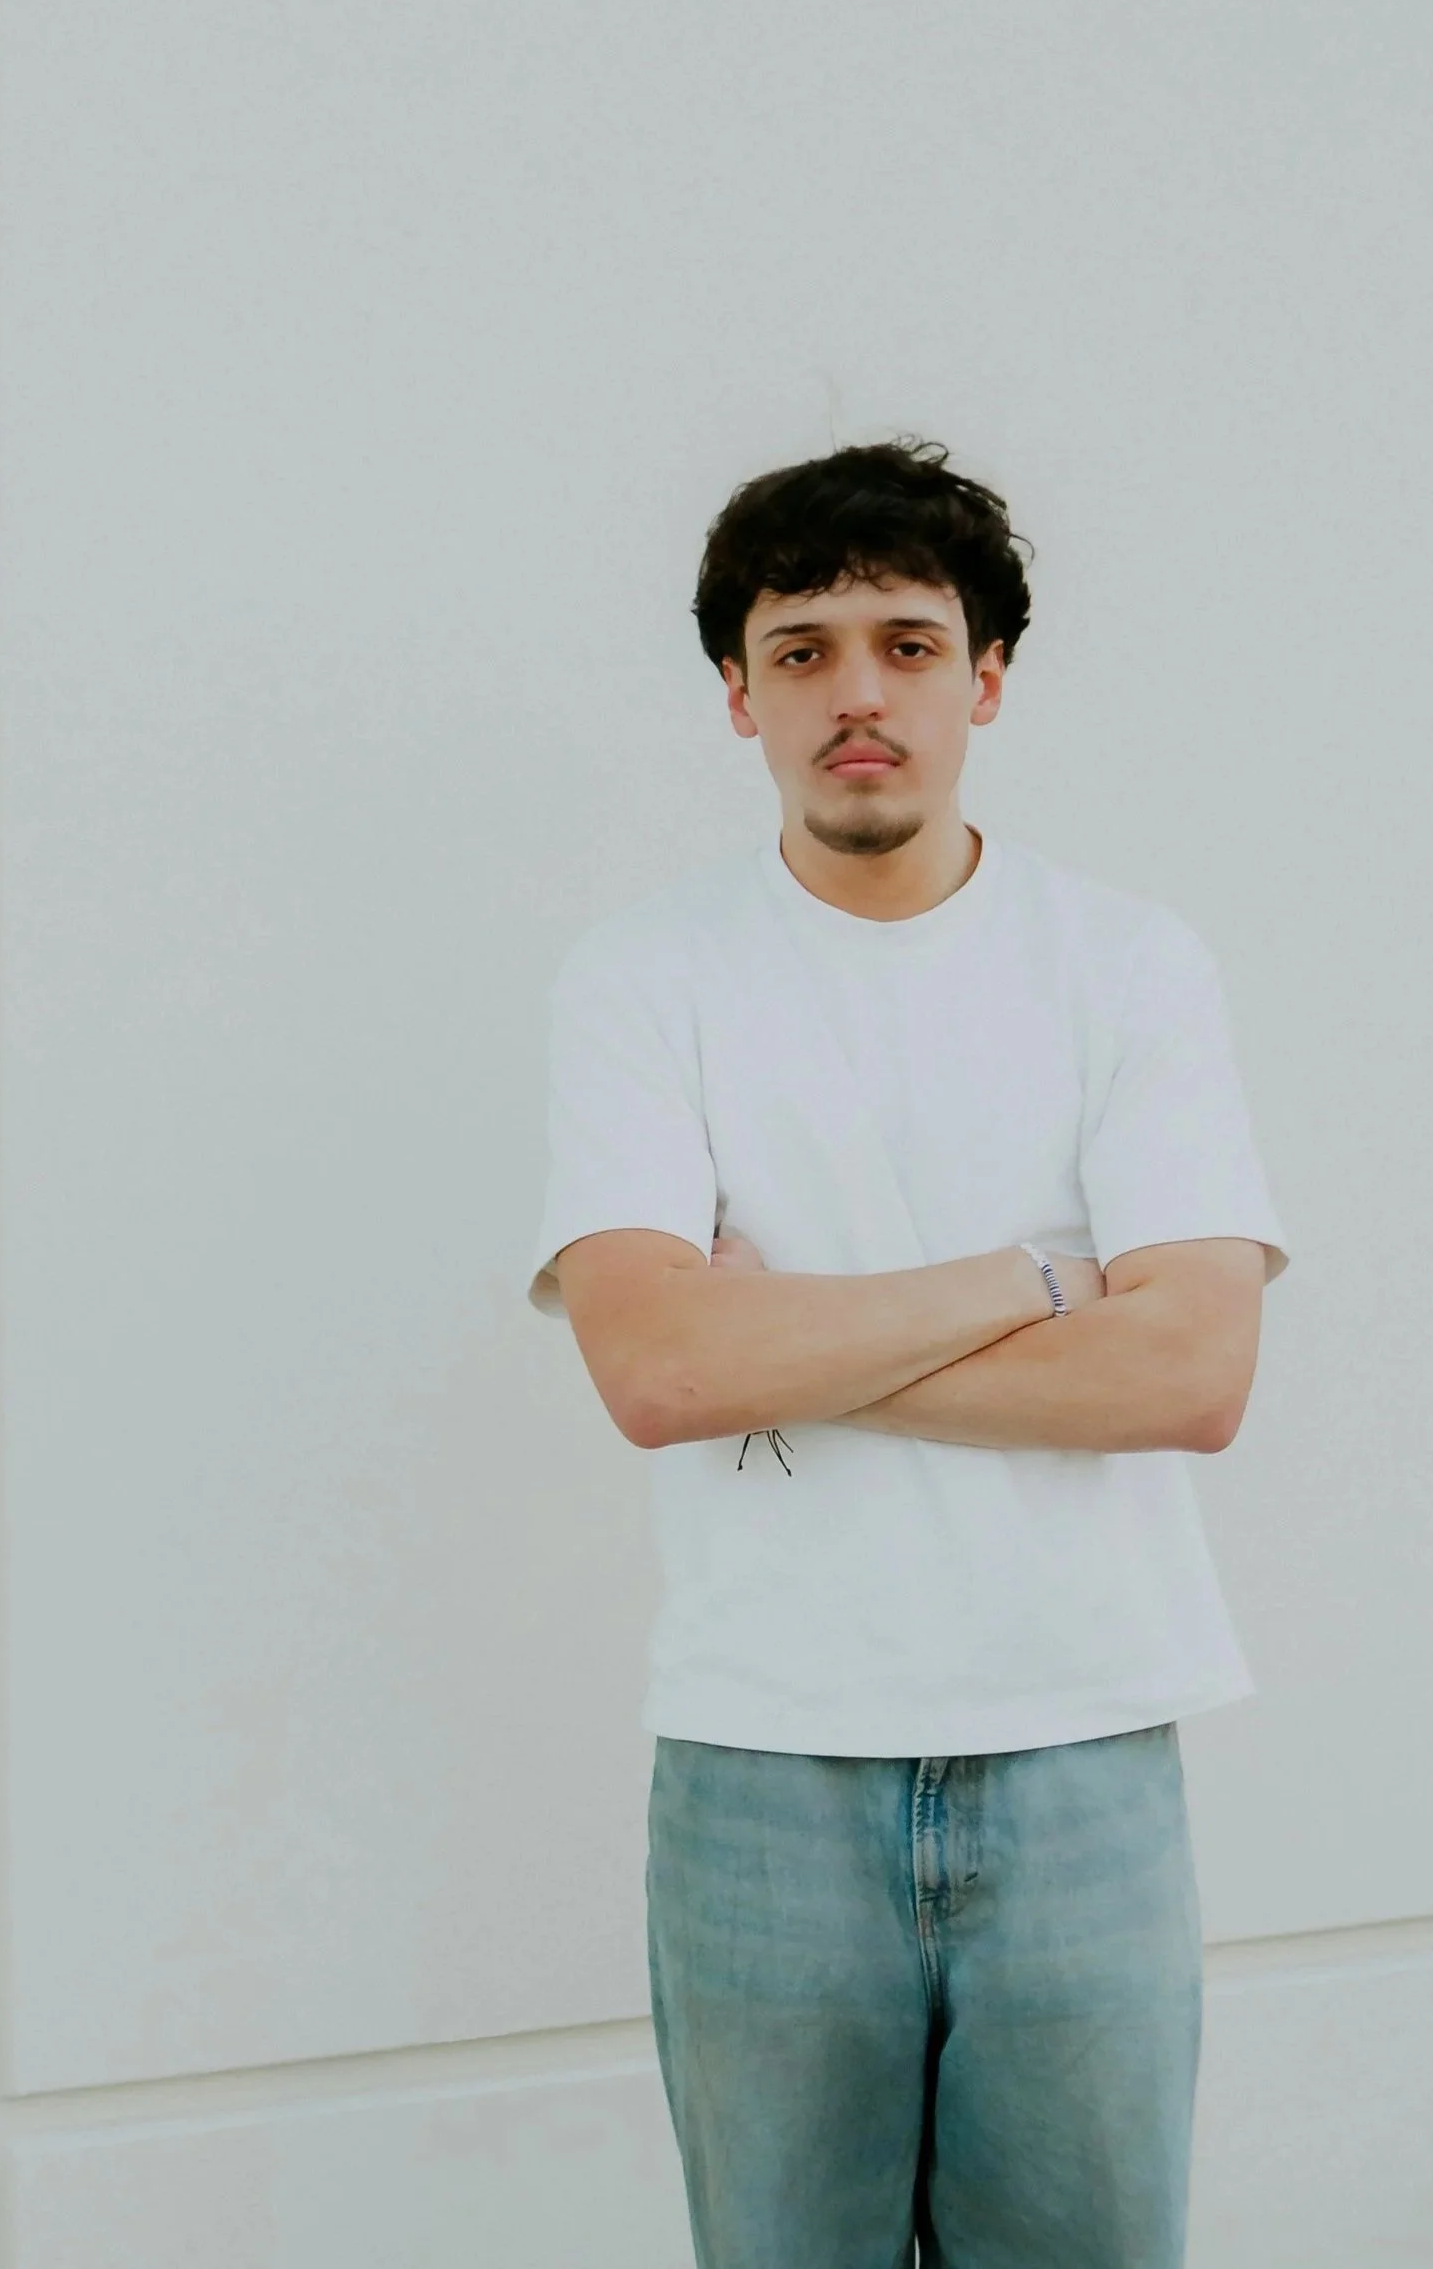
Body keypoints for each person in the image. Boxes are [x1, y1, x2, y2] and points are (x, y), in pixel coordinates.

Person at [525, 436, 1291, 2269]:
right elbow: (655, 1378)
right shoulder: (647, 981)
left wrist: (779, 1333)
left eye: (906, 642)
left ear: (987, 679)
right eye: (801, 651)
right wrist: (1036, 1281)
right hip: (763, 1764)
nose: (856, 694)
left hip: (1082, 1745)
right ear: (736, 696)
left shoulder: (1128, 966)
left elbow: (1191, 1376)